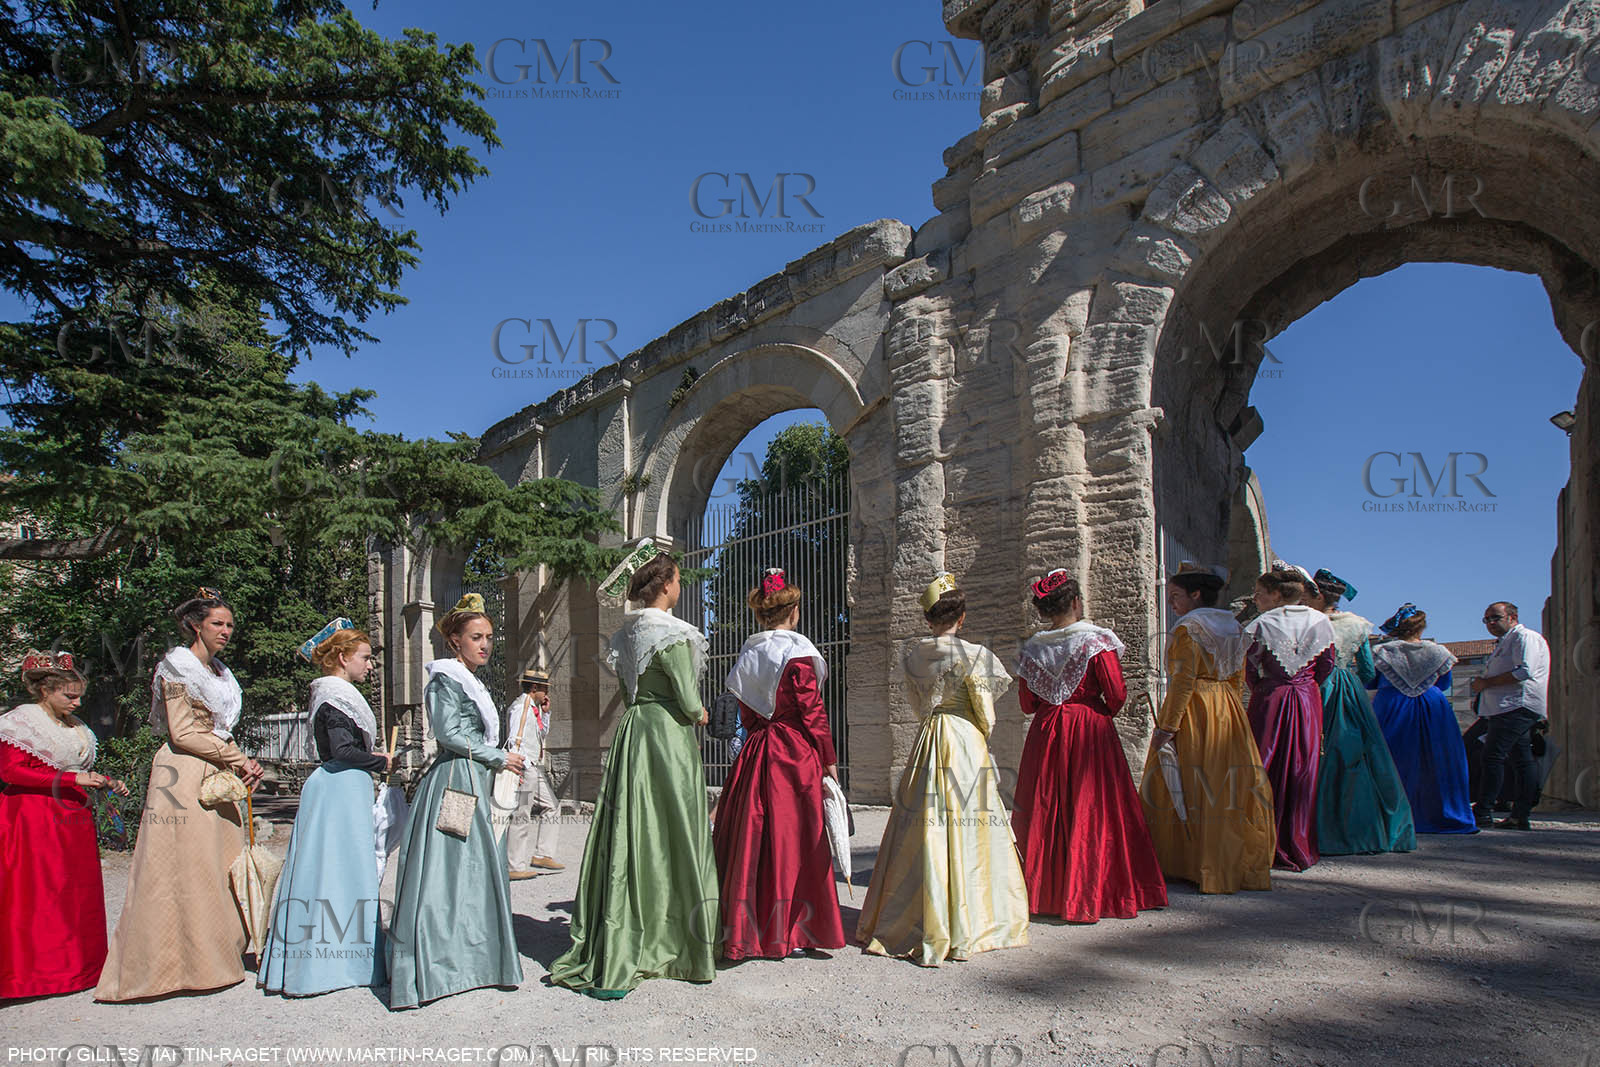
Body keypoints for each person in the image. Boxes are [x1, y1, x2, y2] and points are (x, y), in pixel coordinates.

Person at [549, 541, 718, 998]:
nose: (680, 586)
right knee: (676, 829)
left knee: (632, 829)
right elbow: (686, 700)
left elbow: (629, 693)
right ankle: (680, 940)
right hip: (667, 738)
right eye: (679, 579)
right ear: (665, 585)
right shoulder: (675, 634)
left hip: (633, 733)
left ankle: (627, 931)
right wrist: (702, 714)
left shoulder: (625, 636)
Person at [97, 588, 266, 1002]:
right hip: (185, 769)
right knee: (183, 866)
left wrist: (239, 763)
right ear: (195, 625)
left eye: (229, 624)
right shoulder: (177, 666)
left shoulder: (222, 672)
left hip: (220, 767)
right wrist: (238, 758)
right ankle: (170, 965)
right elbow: (184, 731)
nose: (225, 631)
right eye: (217, 624)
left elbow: (217, 728)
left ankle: (217, 957)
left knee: (218, 862)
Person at [856, 574, 1029, 966]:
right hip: (964, 739)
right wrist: (979, 736)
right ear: (962, 617)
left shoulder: (916, 655)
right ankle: (974, 917)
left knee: (923, 824)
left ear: (928, 618)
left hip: (930, 735)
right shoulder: (977, 656)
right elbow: (986, 712)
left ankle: (919, 913)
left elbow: (919, 706)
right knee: (972, 825)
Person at [386, 594, 525, 1009]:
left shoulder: (469, 679)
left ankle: (475, 960)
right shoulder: (446, 678)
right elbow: (448, 733)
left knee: (474, 867)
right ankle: (441, 964)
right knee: (449, 869)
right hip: (456, 779)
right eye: (476, 637)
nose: (485, 645)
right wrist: (499, 756)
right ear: (454, 640)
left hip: (473, 775)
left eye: (489, 637)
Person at [1012, 570, 1166, 921]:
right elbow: (1115, 694)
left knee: (1048, 806)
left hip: (1047, 730)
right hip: (1089, 729)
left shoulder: (1033, 648)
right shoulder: (1096, 641)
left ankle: (1046, 892)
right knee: (1093, 807)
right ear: (1077, 602)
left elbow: (1027, 703)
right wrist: (1096, 710)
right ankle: (1094, 890)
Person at [714, 567, 846, 960]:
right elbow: (812, 712)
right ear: (794, 611)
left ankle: (747, 929)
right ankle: (793, 929)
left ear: (761, 614)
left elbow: (747, 711)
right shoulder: (799, 652)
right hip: (792, 754)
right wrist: (828, 760)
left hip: (756, 751)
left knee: (753, 840)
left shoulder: (749, 652)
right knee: (795, 838)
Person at [258, 619, 391, 997]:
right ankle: (328, 965)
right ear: (342, 657)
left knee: (337, 871)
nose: (370, 665)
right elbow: (343, 752)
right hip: (338, 788)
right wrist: (382, 762)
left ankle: (336, 960)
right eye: (365, 658)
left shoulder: (337, 694)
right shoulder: (335, 696)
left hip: (343, 787)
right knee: (335, 870)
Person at [1140, 564, 1275, 894]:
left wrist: (1167, 727)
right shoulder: (1232, 626)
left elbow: (1183, 682)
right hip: (1227, 706)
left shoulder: (1189, 628)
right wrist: (1235, 714)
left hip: (1197, 709)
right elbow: (1238, 678)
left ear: (1195, 594)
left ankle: (1195, 862)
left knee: (1192, 780)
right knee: (1227, 782)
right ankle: (1228, 861)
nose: (1172, 604)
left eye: (1175, 597)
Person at [0, 652, 128, 999]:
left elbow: (75, 771)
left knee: (75, 893)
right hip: (33, 817)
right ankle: (38, 974)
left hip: (72, 817)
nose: (77, 701)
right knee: (42, 892)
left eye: (79, 695)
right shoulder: (21, 721)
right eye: (69, 695)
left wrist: (105, 781)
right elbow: (11, 771)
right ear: (45, 691)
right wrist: (72, 778)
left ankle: (79, 970)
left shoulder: (75, 726)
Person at [1310, 570, 1416, 856]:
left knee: (1315, 753)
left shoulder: (1311, 622)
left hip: (1317, 688)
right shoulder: (1357, 624)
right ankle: (1364, 826)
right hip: (1348, 689)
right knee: (1358, 756)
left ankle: (1314, 827)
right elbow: (1368, 671)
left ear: (1317, 595)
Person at [1243, 565, 1334, 872]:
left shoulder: (1262, 623)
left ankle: (1260, 843)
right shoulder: (1321, 620)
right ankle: (1299, 843)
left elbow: (1250, 667)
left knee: (1263, 764)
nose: (1256, 599)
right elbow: (1327, 664)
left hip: (1271, 697)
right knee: (1302, 767)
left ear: (1277, 593)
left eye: (1261, 593)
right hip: (1307, 698)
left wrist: (1267, 687)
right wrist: (1306, 684)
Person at [1370, 604, 1475, 834]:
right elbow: (1444, 684)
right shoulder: (1439, 651)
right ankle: (1442, 813)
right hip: (1432, 706)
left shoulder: (1383, 651)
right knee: (1437, 758)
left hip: (1393, 705)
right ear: (1422, 627)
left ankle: (1392, 815)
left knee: (1393, 757)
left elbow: (1371, 680)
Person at [1470, 602, 1550, 831]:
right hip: (1504, 707)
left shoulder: (1525, 638)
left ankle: (1483, 810)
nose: (1491, 624)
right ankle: (1519, 814)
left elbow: (1524, 671)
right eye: (1486, 620)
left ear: (1512, 617)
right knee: (1521, 760)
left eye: (1495, 618)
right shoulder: (1507, 641)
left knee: (1492, 757)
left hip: (1515, 706)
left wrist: (1486, 683)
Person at [502, 667, 563, 880]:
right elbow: (513, 738)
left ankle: (543, 854)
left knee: (552, 806)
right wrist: (517, 766)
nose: (547, 693)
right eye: (545, 688)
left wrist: (546, 714)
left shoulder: (534, 709)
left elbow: (540, 734)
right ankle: (514, 866)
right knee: (521, 813)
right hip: (524, 767)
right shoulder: (521, 707)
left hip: (532, 768)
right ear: (534, 687)